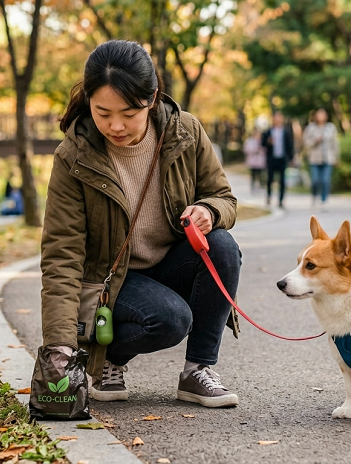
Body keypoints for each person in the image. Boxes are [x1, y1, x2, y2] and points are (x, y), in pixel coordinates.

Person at [40, 40, 241, 408]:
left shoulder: (186, 132)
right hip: (111, 280)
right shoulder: (73, 157)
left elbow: (224, 198)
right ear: (89, 103)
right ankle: (107, 360)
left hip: (169, 263)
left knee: (223, 246)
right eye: (103, 113)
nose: (115, 125)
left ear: (151, 99)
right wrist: (60, 349)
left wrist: (209, 211)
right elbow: (61, 256)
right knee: (170, 319)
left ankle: (197, 370)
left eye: (129, 113)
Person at [302, 109, 339, 210]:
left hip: (328, 158)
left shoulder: (331, 128)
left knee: (326, 180)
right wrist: (315, 141)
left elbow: (335, 143)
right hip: (314, 159)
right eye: (319, 114)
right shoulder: (311, 128)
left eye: (323, 114)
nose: (321, 117)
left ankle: (324, 200)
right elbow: (306, 143)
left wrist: (336, 157)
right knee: (315, 180)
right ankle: (314, 196)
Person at [262, 112, 295, 207]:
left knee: (282, 180)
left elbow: (289, 146)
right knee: (270, 179)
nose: (278, 120)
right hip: (271, 159)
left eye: (279, 118)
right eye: (276, 118)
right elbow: (263, 144)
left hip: (282, 158)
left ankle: (281, 200)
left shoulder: (286, 132)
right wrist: (268, 142)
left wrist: (291, 158)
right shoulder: (268, 131)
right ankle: (269, 196)